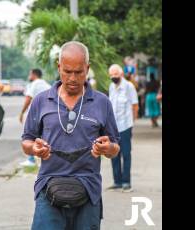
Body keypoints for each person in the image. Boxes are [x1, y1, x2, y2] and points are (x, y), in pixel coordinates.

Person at [21, 41, 120, 230]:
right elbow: (26, 140)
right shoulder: (41, 101)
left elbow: (115, 147)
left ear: (87, 69)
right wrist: (33, 148)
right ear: (59, 68)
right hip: (48, 188)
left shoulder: (102, 103)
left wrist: (108, 148)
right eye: (67, 71)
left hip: (88, 190)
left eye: (79, 72)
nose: (73, 78)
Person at [107, 64, 139, 193]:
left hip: (125, 126)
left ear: (121, 74)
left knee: (126, 154)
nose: (113, 77)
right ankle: (117, 181)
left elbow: (135, 106)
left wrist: (132, 122)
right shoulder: (111, 87)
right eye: (111, 75)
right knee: (113, 154)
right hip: (113, 127)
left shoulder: (129, 87)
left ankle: (126, 182)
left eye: (115, 74)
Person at [18, 68, 51, 167]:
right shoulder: (46, 84)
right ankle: (44, 158)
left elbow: (28, 98)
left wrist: (22, 112)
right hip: (45, 114)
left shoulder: (34, 84)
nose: (29, 76)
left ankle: (31, 159)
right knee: (43, 136)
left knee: (30, 137)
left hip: (35, 114)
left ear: (33, 74)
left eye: (30, 74)